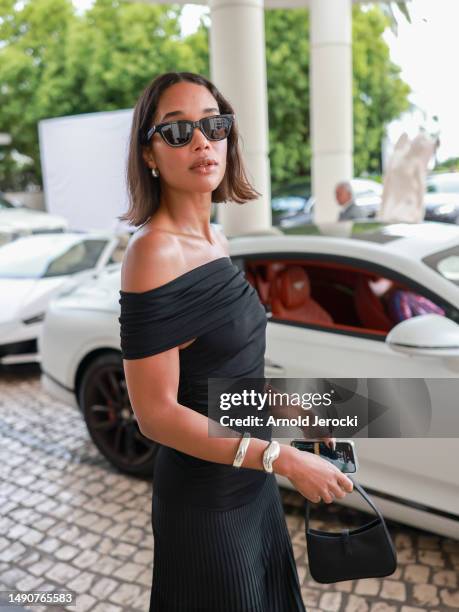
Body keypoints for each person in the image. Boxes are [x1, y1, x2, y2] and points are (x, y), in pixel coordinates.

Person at [117, 71, 353, 612]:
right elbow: (155, 415)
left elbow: (225, 373)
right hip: (207, 505)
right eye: (177, 131)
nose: (201, 141)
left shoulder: (216, 238)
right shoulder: (152, 252)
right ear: (149, 154)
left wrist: (304, 414)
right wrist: (284, 460)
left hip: (252, 485)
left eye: (213, 125)